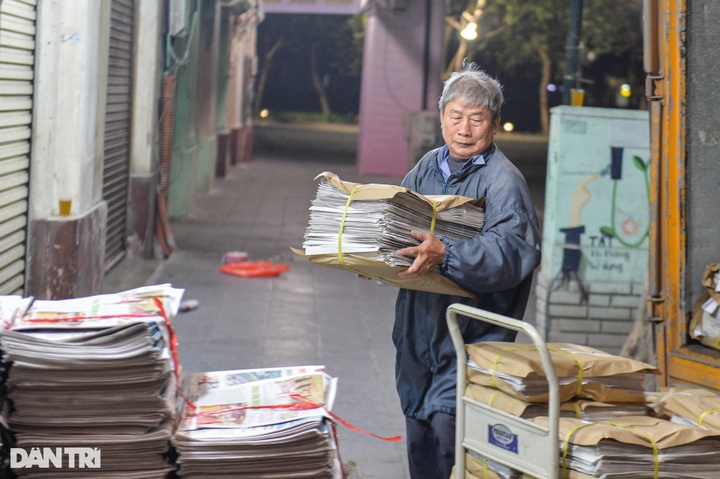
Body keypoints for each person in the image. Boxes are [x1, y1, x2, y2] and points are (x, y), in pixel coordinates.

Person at [393, 62, 541, 478]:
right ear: (441, 118)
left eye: (476, 119)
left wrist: (448, 255)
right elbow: (398, 221)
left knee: (447, 426)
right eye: (455, 117)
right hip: (417, 329)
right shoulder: (426, 166)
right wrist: (377, 258)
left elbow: (511, 252)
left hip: (470, 335)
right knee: (419, 431)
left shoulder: (503, 181)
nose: (464, 129)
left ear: (494, 125)